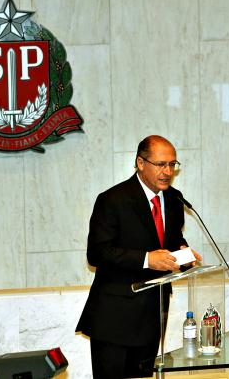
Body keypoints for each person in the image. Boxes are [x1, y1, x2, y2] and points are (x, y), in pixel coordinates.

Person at [76, 135, 201, 378]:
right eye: (161, 164)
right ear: (141, 163)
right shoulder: (113, 200)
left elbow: (172, 241)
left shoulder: (174, 199)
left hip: (153, 315)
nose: (168, 171)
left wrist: (184, 256)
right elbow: (97, 253)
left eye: (172, 165)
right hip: (115, 317)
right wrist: (146, 259)